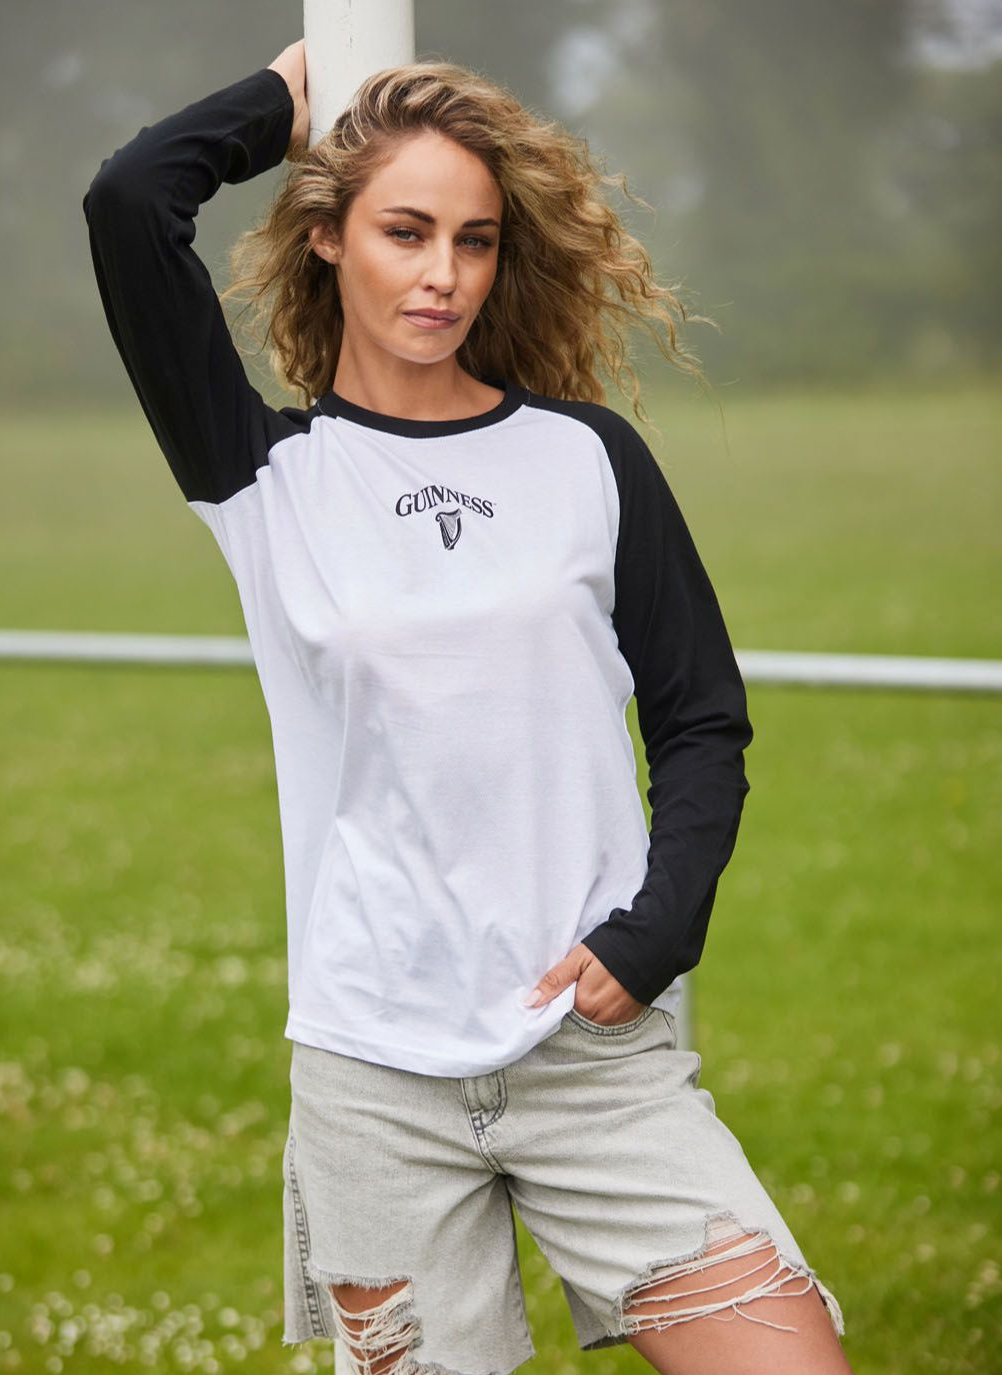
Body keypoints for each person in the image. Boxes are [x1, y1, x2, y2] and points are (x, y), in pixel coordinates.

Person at [83, 36, 853, 1375]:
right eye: (405, 230)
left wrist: (657, 931)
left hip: (596, 1060)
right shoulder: (265, 476)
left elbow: (700, 722)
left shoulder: (586, 458)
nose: (443, 275)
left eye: (475, 240)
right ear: (328, 236)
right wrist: (288, 97)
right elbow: (128, 203)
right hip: (376, 1084)